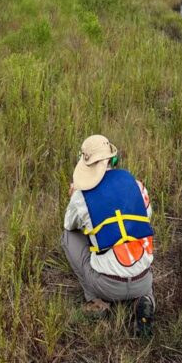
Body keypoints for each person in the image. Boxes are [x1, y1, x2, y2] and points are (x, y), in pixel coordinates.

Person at [61, 134, 155, 335]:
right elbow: (146, 215)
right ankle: (145, 300)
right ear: (113, 159)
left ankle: (95, 299)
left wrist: (74, 198)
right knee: (136, 243)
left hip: (107, 286)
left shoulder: (81, 196)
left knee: (68, 237)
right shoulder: (137, 185)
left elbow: (69, 224)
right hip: (143, 280)